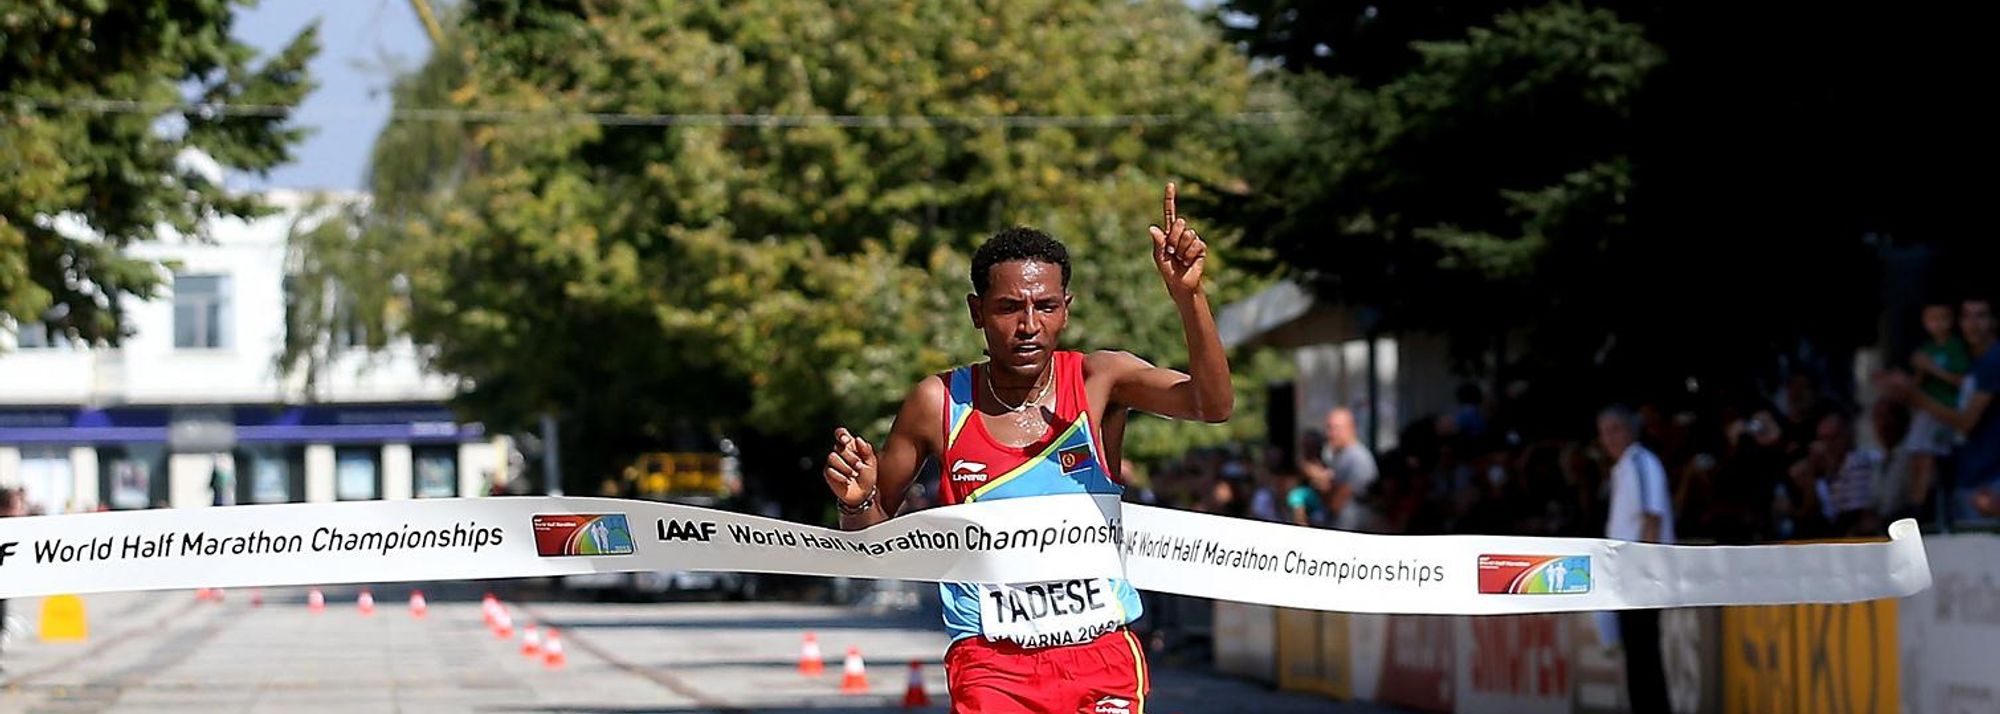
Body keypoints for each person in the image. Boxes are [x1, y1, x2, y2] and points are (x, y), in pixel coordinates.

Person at [819, 184, 1231, 713]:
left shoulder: (1098, 379)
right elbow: (868, 545)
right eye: (1009, 308)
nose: (1029, 325)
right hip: (992, 661)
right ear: (977, 312)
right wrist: (856, 501)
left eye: (1046, 306)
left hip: (1100, 653)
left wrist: (1189, 296)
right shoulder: (937, 403)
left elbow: (1211, 405)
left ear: (1066, 310)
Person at [1597, 406, 1673, 714]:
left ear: (1630, 429)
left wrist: (1644, 572)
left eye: (1615, 429)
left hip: (1642, 575)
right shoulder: (1622, 469)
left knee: (1645, 654)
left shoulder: (1641, 463)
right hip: (1626, 577)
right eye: (1604, 432)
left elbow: (1652, 517)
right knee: (1636, 654)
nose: (1609, 438)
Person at [1900, 296, 1999, 523]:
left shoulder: (1994, 360)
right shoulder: (1968, 359)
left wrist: (1916, 397)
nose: (1973, 323)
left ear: (1993, 321)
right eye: (1967, 316)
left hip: (1991, 484)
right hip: (1967, 476)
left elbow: (1966, 421)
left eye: (1981, 315)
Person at [1907, 301, 1970, 513]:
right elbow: (1915, 386)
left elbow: (1962, 381)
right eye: (1933, 319)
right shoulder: (1927, 348)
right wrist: (1919, 371)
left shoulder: (1955, 347)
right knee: (1916, 455)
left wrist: (1931, 368)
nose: (1938, 324)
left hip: (1945, 412)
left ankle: (1923, 507)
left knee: (1930, 459)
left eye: (1943, 318)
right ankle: (1915, 504)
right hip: (1924, 411)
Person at [1299, 407, 1379, 531]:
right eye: (1328, 428)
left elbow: (1335, 504)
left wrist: (1318, 480)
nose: (1329, 434)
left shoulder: (1357, 459)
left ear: (1350, 428)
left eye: (1335, 428)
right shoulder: (1339, 456)